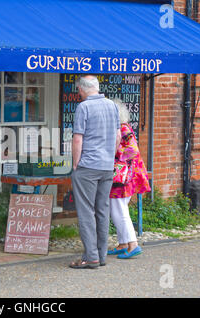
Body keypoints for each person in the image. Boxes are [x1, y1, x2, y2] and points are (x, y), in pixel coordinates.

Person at [69, 75, 121, 269]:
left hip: (88, 167)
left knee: (86, 212)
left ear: (81, 90)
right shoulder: (112, 106)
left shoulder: (83, 107)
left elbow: (77, 139)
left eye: (78, 91)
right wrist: (109, 156)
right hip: (107, 166)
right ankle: (101, 255)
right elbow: (118, 136)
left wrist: (76, 164)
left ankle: (90, 257)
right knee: (102, 210)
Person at [108, 100, 151, 259]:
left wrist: (116, 156)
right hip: (127, 176)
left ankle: (132, 244)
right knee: (118, 209)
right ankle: (123, 244)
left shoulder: (123, 129)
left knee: (119, 210)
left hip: (123, 177)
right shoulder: (123, 127)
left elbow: (132, 150)